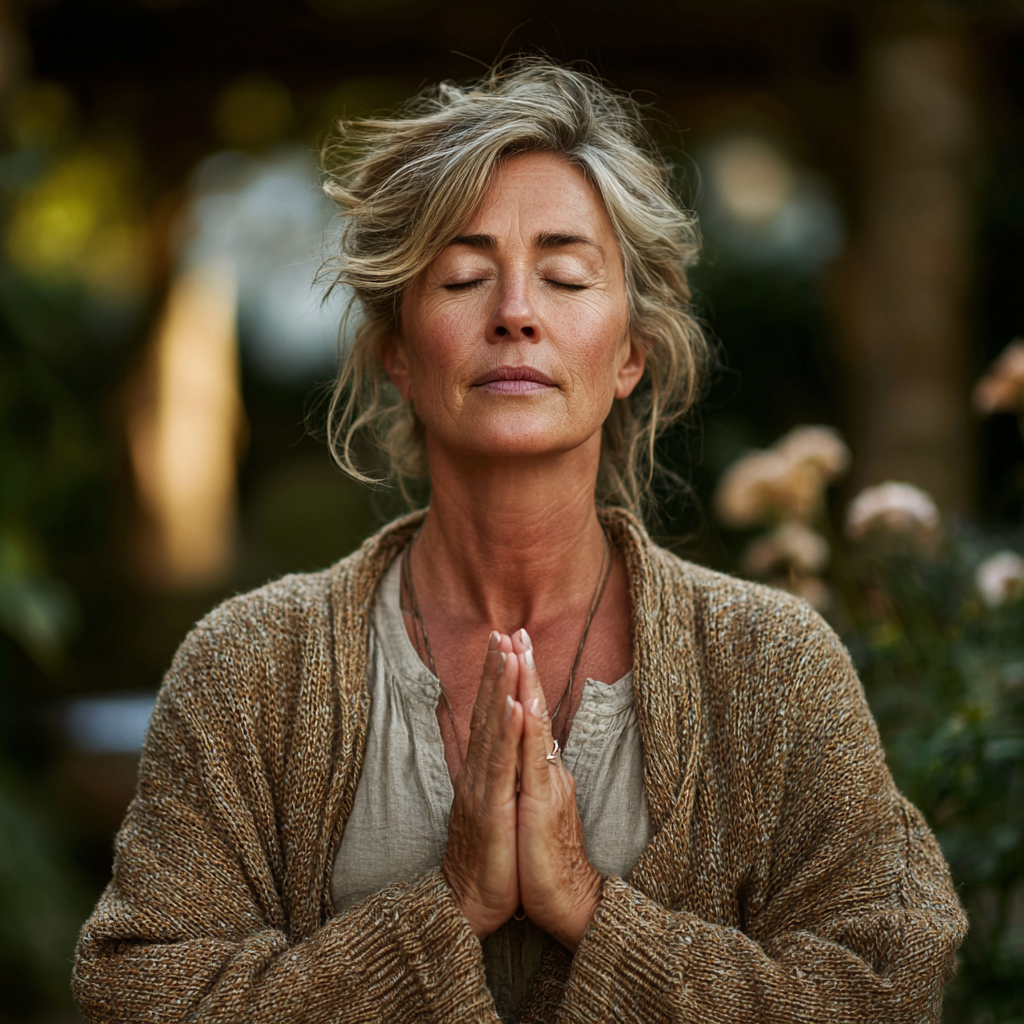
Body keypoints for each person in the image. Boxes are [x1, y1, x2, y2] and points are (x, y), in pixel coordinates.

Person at [73, 59, 966, 1023]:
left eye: (567, 275)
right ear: (398, 352)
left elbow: (891, 981)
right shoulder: (248, 668)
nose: (514, 312)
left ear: (631, 352)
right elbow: (139, 992)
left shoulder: (771, 664)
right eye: (463, 276)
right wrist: (443, 911)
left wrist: (591, 910)